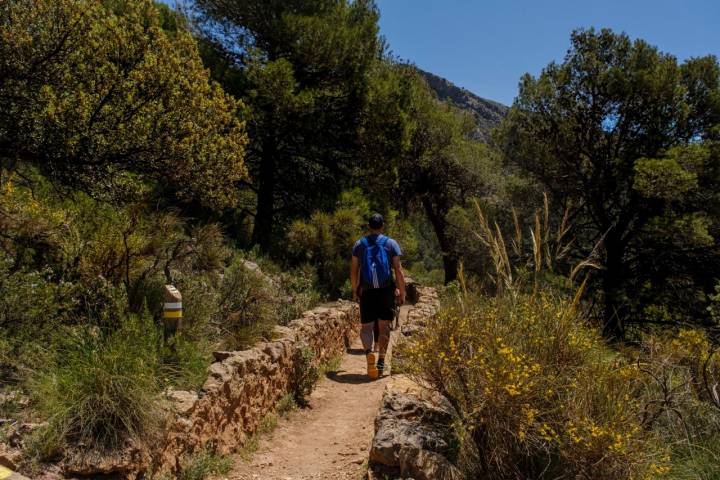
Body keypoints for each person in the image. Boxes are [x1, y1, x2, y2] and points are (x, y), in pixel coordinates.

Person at [350, 213, 406, 378]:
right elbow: (398, 270)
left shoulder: (359, 245)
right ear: (382, 226)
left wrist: (355, 290)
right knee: (384, 327)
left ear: (369, 226)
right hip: (386, 290)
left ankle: (369, 355)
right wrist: (402, 292)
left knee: (366, 328)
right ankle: (381, 359)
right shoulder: (391, 244)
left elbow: (354, 271)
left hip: (367, 291)